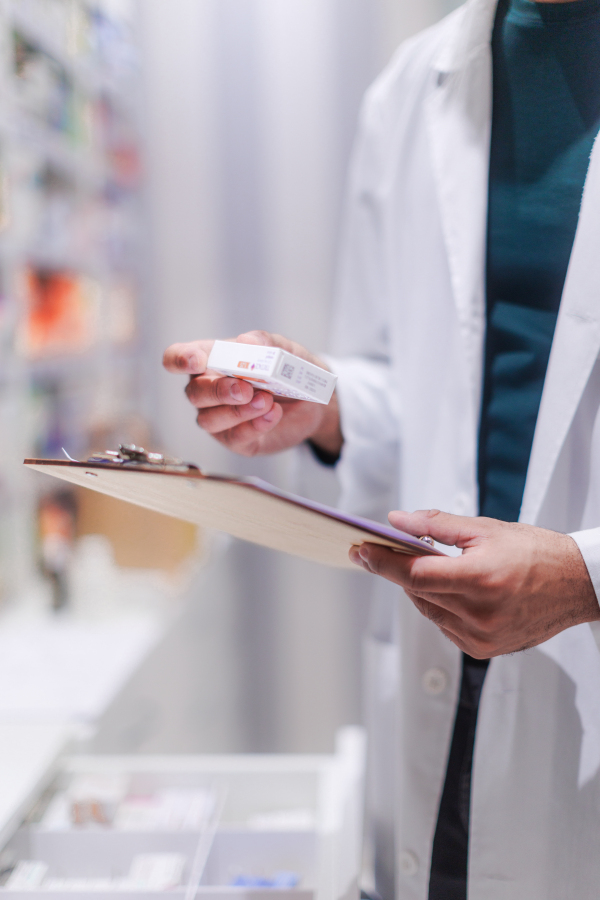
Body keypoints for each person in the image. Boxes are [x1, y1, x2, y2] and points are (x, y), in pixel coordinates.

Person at [163, 0, 600, 895]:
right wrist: (322, 410)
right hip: (446, 674)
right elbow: (403, 378)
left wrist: (587, 576)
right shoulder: (414, 84)